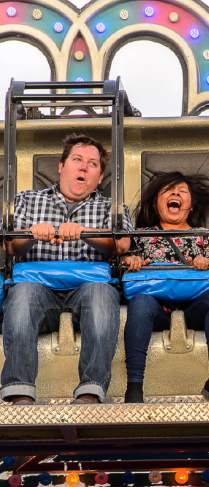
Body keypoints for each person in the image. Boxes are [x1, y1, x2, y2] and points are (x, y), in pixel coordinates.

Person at [1, 133, 133, 404]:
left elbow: (122, 245)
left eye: (92, 164)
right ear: (61, 167)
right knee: (22, 295)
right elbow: (10, 246)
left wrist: (85, 233)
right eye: (77, 160)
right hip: (39, 285)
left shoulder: (113, 207)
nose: (84, 167)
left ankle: (91, 389)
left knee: (101, 294)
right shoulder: (27, 200)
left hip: (88, 284)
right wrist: (32, 234)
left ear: (99, 176)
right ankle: (19, 390)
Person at [123, 171, 209, 403]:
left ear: (190, 207)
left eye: (182, 192)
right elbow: (125, 262)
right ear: (156, 203)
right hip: (157, 306)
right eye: (168, 191)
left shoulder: (205, 236)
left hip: (196, 305)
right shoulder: (140, 236)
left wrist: (206, 263)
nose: (175, 194)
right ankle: (134, 386)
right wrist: (132, 262)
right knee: (140, 302)